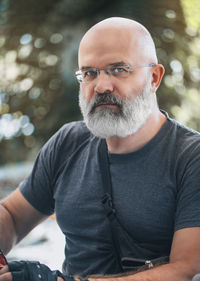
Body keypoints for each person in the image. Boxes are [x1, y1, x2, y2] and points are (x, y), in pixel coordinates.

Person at [1, 16, 200, 281]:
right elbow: (12, 216)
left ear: (154, 77)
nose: (102, 85)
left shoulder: (191, 158)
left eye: (119, 69)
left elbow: (187, 269)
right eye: (89, 73)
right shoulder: (68, 143)